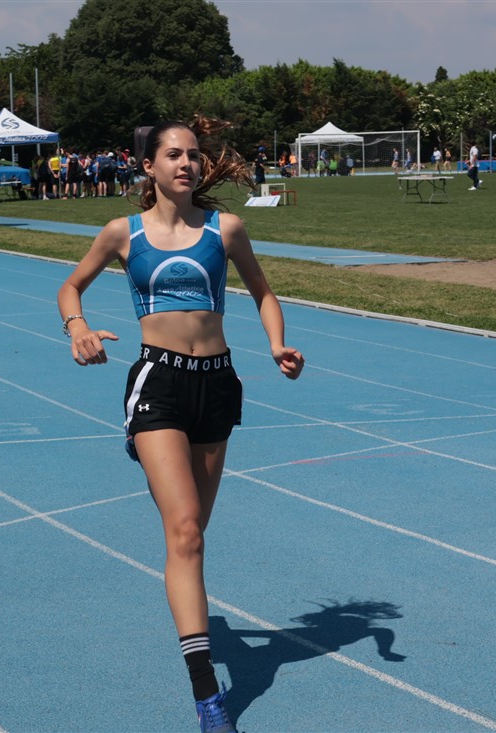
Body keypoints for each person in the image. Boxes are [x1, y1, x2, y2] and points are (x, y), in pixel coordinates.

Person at [56, 116, 303, 733]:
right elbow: (71, 287)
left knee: (191, 537)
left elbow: (263, 293)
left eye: (194, 154)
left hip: (217, 385)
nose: (187, 163)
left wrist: (277, 344)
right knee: (186, 531)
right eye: (173, 154)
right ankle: (206, 693)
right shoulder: (124, 232)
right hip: (159, 385)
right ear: (149, 166)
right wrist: (78, 328)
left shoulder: (226, 229)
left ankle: (189, 610)